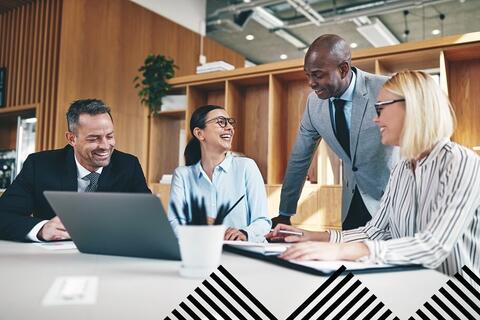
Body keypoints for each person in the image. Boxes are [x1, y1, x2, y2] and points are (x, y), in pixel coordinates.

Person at [269, 70, 480, 282]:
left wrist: (342, 252)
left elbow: (434, 246)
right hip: (415, 288)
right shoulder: (401, 169)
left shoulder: (461, 162)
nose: (375, 119)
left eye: (380, 108)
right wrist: (314, 236)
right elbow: (374, 231)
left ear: (413, 106)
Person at [272, 34, 398, 230]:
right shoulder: (314, 104)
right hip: (352, 203)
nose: (311, 83)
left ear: (343, 69)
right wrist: (284, 213)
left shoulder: (386, 89)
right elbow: (300, 157)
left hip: (393, 200)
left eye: (318, 74)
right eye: (308, 75)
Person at [0, 99, 151, 242]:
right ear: (72, 139)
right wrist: (42, 229)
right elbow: (3, 216)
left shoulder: (128, 166)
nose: (105, 146)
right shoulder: (39, 165)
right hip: (53, 260)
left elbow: (148, 220)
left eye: (109, 136)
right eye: (94, 139)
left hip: (110, 257)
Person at [168, 105, 271, 243]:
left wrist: (244, 233)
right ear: (199, 133)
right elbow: (174, 223)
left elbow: (263, 222)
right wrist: (197, 226)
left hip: (241, 254)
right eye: (221, 122)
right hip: (201, 252)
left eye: (230, 122)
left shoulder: (246, 166)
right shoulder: (183, 175)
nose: (229, 127)